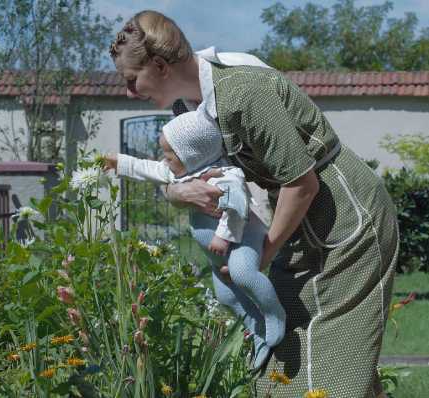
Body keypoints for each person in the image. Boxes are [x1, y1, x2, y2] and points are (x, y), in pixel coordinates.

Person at [108, 10, 399, 397]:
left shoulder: (244, 93)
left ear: (160, 65)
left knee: (332, 364)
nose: (130, 92)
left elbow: (302, 183)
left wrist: (263, 254)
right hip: (296, 225)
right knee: (288, 354)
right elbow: (176, 177)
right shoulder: (188, 110)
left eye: (132, 80)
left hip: (347, 219)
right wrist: (179, 193)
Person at [105, 110, 286, 370]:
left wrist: (223, 237)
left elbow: (238, 206)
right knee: (226, 296)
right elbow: (148, 168)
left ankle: (274, 314)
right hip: (216, 254)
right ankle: (257, 329)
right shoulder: (180, 173)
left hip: (242, 239)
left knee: (243, 272)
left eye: (169, 156)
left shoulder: (225, 175)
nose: (164, 162)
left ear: (191, 155)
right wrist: (118, 162)